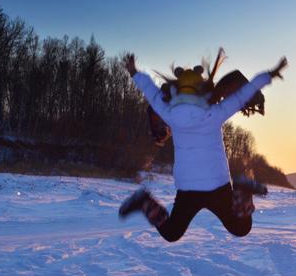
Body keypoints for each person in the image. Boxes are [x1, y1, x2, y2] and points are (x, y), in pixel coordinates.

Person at [119, 53, 287, 242]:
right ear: (201, 91)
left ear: (178, 91)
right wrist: (269, 75)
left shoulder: (169, 113)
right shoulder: (215, 113)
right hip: (217, 185)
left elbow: (151, 92)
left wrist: (134, 72)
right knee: (241, 227)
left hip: (188, 189)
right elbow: (243, 94)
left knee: (172, 232)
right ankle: (242, 190)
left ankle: (144, 202)